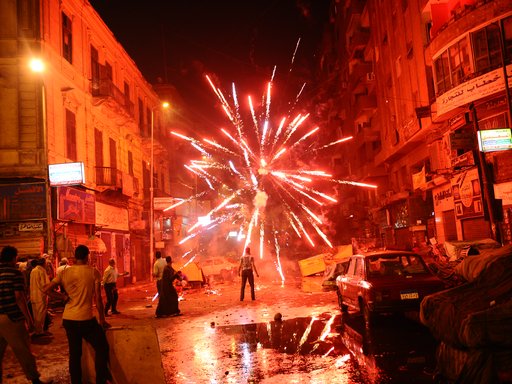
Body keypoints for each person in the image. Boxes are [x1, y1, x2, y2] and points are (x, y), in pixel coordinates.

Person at [43, 245, 110, 384]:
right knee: (102, 347)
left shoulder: (64, 272)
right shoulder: (93, 272)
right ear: (87, 256)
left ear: (75, 256)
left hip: (69, 319)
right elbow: (98, 299)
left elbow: (46, 289)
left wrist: (63, 298)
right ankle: (101, 380)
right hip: (86, 320)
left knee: (75, 354)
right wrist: (102, 320)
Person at [0, 246, 52, 384]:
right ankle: (35, 379)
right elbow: (19, 297)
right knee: (24, 351)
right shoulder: (15, 273)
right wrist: (29, 319)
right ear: (13, 258)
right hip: (11, 318)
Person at [29, 258, 51, 337]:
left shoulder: (33, 270)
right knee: (41, 315)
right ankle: (39, 332)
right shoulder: (41, 271)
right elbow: (45, 285)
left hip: (33, 296)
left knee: (35, 314)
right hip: (40, 296)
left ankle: (37, 330)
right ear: (44, 263)